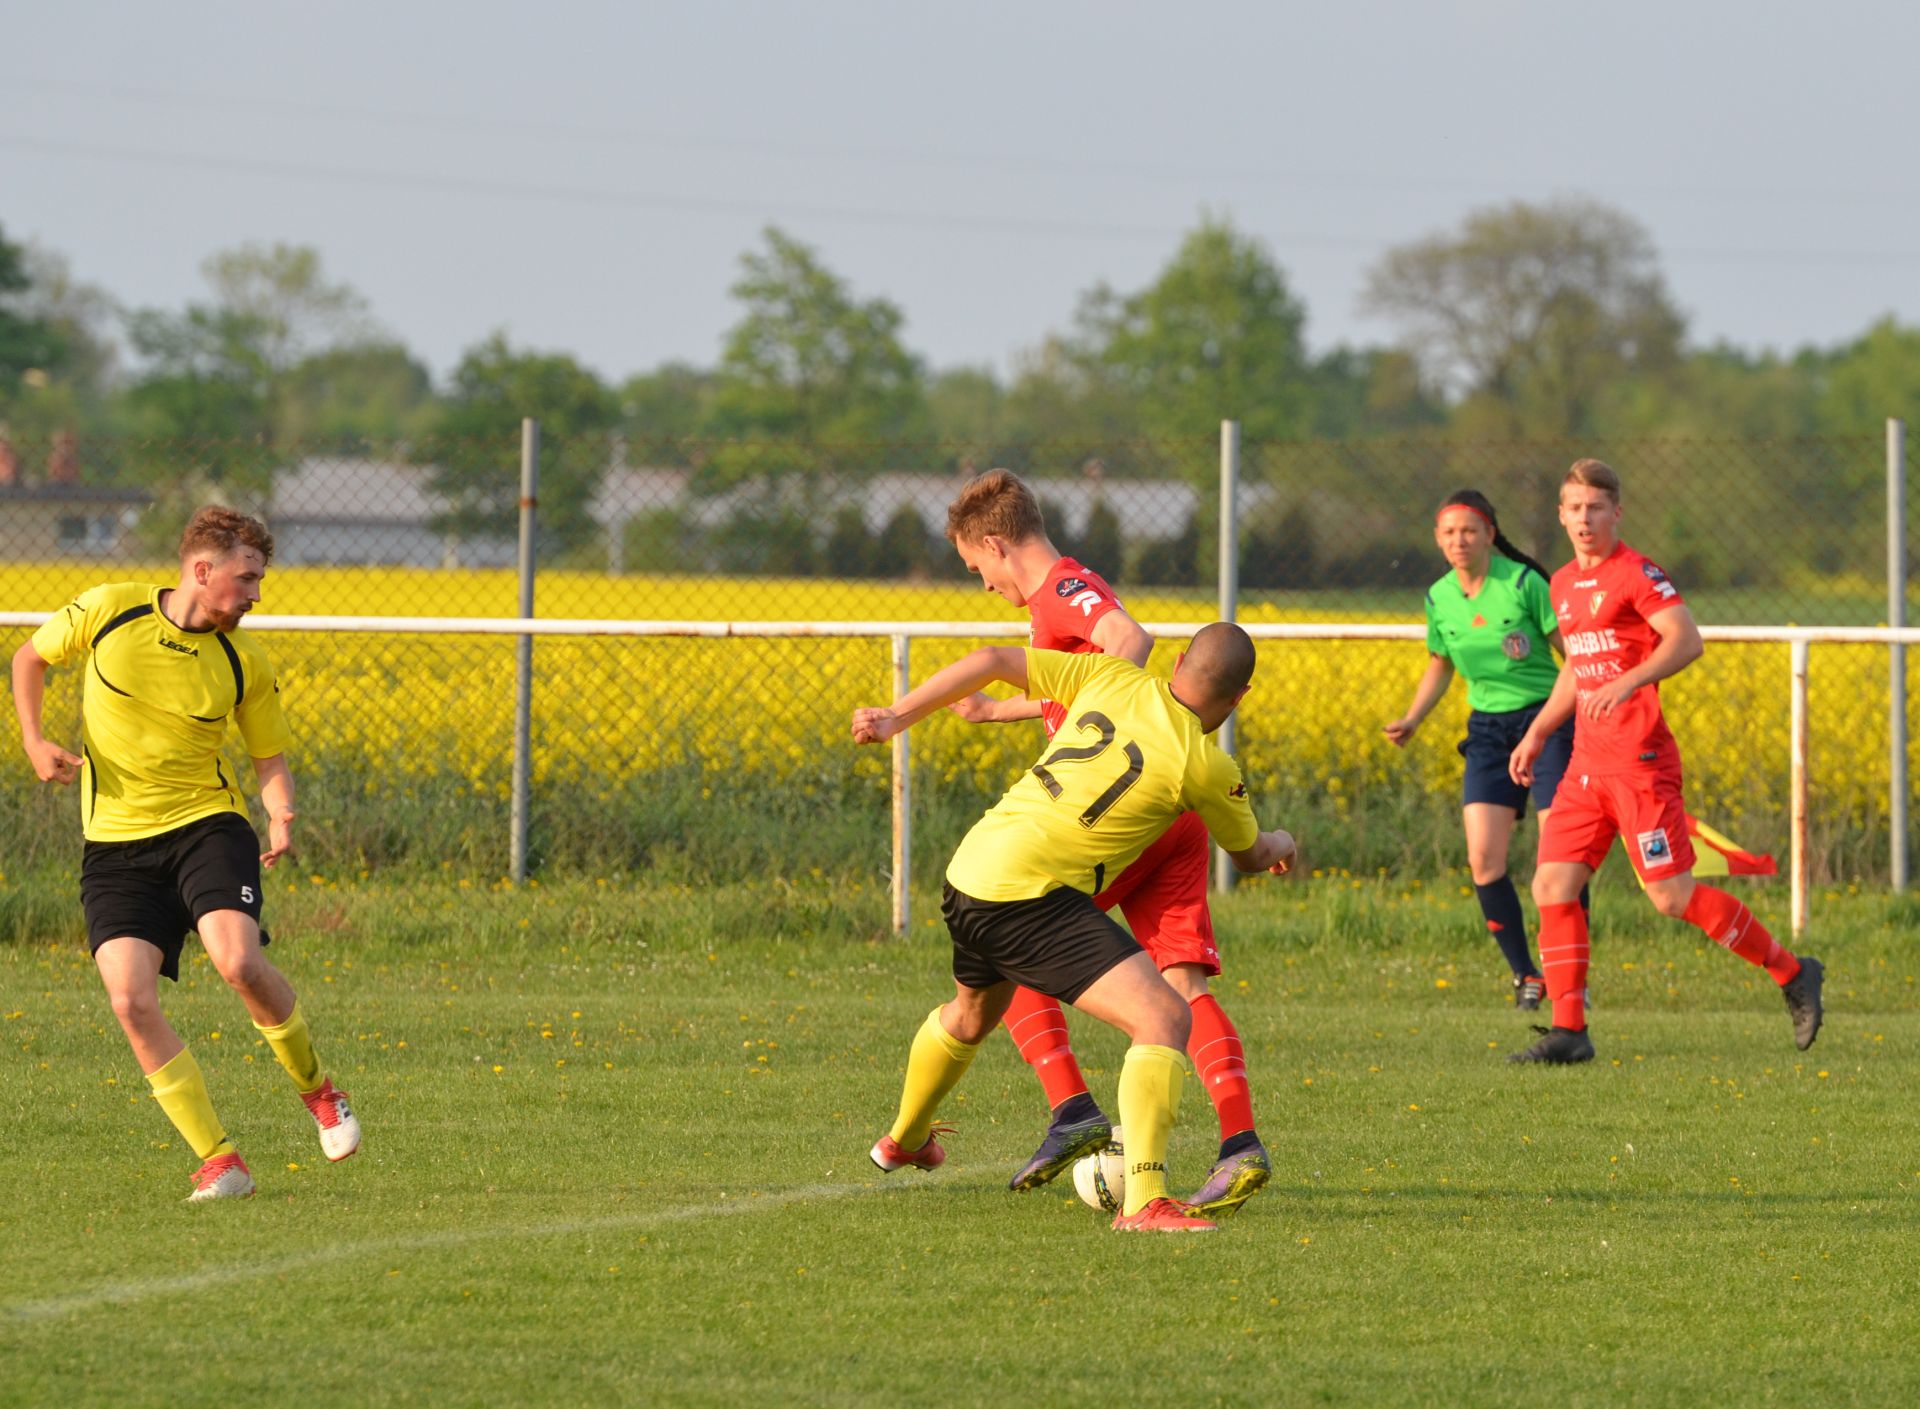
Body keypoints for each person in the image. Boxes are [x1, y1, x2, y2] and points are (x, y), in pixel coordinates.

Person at [852, 624, 1295, 1232]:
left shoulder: (1109, 674)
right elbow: (1249, 855)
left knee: (971, 1014)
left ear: (1178, 661)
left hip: (972, 868)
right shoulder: (1205, 765)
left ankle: (904, 1140)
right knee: (1164, 1017)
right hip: (1030, 897)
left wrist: (896, 717)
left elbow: (992, 658)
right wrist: (1285, 841)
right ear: (1240, 697)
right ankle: (1145, 1203)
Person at [941, 469, 1272, 1217]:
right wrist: (1000, 713)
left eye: (976, 567)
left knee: (1013, 935)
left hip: (1120, 814)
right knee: (1184, 985)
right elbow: (1089, 686)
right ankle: (1239, 1142)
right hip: (1175, 804)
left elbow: (1128, 643)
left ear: (995, 544)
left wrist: (1123, 742)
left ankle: (1073, 1111)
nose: (984, 584)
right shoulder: (1063, 592)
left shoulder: (1062, 586)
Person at [10, 506, 361, 1200]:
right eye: (246, 578)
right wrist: (32, 738)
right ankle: (221, 1161)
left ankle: (321, 1093)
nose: (256, 595)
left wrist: (280, 812)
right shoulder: (109, 609)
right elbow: (30, 657)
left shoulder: (243, 660)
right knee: (129, 999)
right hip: (114, 844)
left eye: (259, 580)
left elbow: (268, 757)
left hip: (207, 827)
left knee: (239, 962)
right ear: (202, 570)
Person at [1506, 460, 1823, 1063]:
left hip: (1640, 763)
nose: (1584, 518)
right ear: (1560, 515)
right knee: (1552, 885)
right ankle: (1569, 1032)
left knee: (1672, 897)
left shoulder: (1637, 573)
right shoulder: (1563, 583)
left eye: (1596, 507)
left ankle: (1792, 971)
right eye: (1574, 508)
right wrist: (1539, 732)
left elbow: (1686, 639)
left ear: (1616, 513)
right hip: (1586, 767)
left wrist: (1631, 680)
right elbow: (1577, 666)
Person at [1383, 489, 1574, 1010]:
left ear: (1490, 533)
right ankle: (1526, 974)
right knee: (1484, 861)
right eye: (1448, 532)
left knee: (1559, 858)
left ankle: (1569, 973)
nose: (1459, 540)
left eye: (1469, 530)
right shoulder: (1438, 597)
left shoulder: (1524, 583)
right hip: (1488, 731)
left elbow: (1575, 657)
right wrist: (1413, 718)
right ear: (1437, 540)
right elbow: (1440, 662)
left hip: (1549, 722)